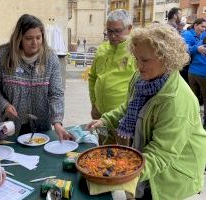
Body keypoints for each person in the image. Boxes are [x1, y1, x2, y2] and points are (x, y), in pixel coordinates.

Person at [86, 24, 206, 199]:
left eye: (145, 60)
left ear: (166, 58)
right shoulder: (140, 78)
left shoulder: (176, 101)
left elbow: (161, 154)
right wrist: (106, 120)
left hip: (172, 175)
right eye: (136, 58)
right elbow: (128, 107)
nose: (138, 66)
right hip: (147, 160)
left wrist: (122, 173)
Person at [0, 14, 72, 140]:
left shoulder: (50, 58)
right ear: (19, 38)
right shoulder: (2, 57)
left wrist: (57, 122)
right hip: (10, 126)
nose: (35, 43)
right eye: (29, 38)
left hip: (41, 127)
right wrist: (4, 105)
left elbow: (56, 93)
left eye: (38, 38)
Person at [88, 9, 136, 120]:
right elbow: (92, 78)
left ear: (129, 28)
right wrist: (94, 104)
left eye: (117, 31)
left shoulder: (136, 52)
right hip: (99, 114)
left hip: (123, 117)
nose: (112, 36)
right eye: (109, 31)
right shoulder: (102, 49)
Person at [181, 18, 206, 97]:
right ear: (195, 25)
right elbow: (183, 48)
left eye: (205, 27)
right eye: (202, 26)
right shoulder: (188, 34)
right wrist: (197, 48)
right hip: (186, 68)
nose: (204, 29)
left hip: (192, 69)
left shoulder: (200, 37)